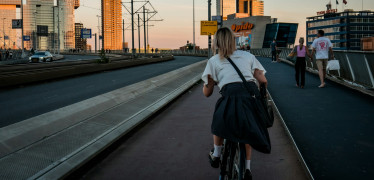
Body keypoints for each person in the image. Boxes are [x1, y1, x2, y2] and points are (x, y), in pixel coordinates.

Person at [202, 27, 271, 180]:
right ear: (234, 40)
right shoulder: (248, 55)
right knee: (246, 130)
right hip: (250, 97)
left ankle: (217, 154)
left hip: (230, 96)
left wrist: (209, 82)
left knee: (219, 121)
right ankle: (247, 169)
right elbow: (263, 80)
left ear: (216, 43)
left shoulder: (213, 61)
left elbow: (207, 93)